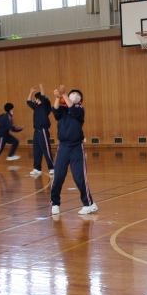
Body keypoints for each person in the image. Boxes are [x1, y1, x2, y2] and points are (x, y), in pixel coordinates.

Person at [50, 84, 97, 216]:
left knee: (79, 177)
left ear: (80, 100)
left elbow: (73, 108)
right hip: (63, 147)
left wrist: (64, 94)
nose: (74, 95)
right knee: (58, 176)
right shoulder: (63, 109)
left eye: (77, 94)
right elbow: (55, 111)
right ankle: (55, 203)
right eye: (72, 93)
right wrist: (58, 97)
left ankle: (88, 204)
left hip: (76, 147)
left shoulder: (80, 110)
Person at [27, 84, 55, 176]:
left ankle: (52, 167)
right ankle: (37, 168)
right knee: (36, 150)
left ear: (38, 99)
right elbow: (28, 102)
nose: (34, 100)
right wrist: (31, 92)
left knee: (46, 149)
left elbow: (43, 96)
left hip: (43, 130)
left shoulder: (45, 105)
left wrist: (42, 87)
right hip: (36, 131)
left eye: (35, 98)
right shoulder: (36, 107)